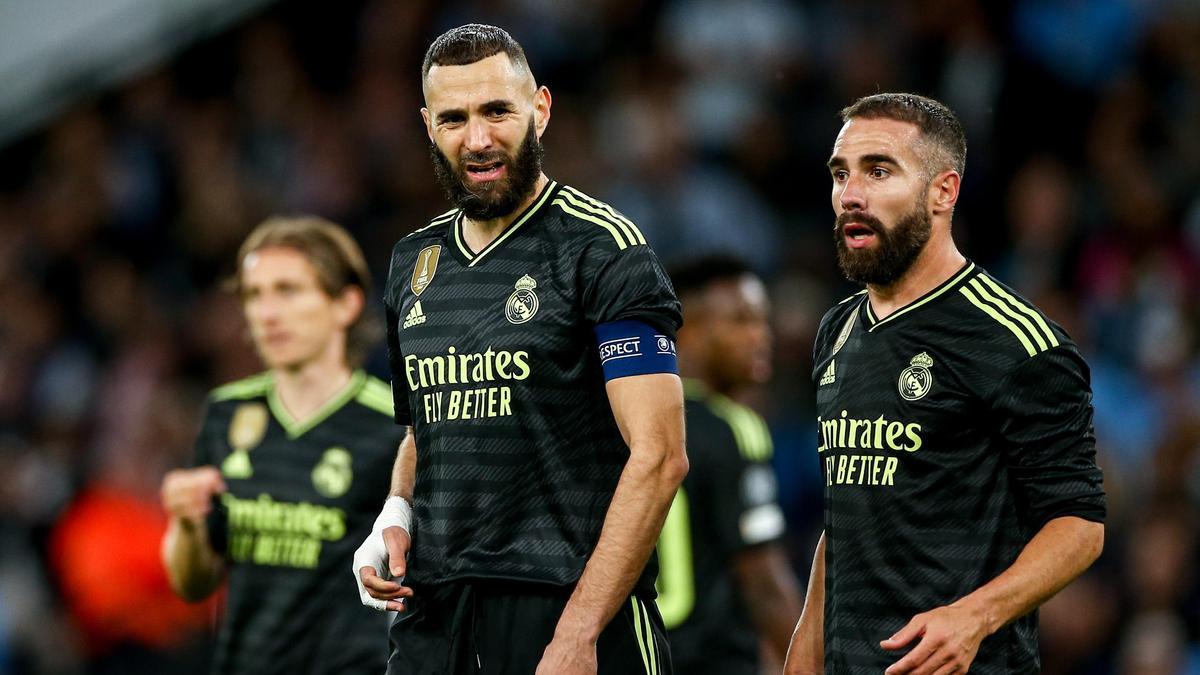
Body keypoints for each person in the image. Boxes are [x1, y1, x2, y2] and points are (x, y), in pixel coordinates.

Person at [351, 24, 687, 675]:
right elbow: (429, 423)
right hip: (436, 615)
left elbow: (661, 455)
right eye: (454, 118)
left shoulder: (603, 249)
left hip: (566, 607)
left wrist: (578, 631)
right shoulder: (411, 262)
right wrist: (395, 510)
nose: (476, 138)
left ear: (541, 108)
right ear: (427, 125)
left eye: (496, 111)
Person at [783, 93, 1106, 675]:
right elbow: (850, 511)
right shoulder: (836, 329)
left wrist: (975, 617)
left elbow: (1079, 526)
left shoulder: (1016, 342)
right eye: (840, 174)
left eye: (879, 171)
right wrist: (805, 647)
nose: (850, 195)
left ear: (944, 191)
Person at [160, 216, 403, 674]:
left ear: (345, 304)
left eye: (288, 290)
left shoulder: (395, 423)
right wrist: (188, 525)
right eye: (254, 294)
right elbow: (193, 584)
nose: (266, 312)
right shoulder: (226, 412)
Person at [657, 254, 802, 674]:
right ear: (687, 330)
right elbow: (763, 582)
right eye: (742, 320)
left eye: (762, 320)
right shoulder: (734, 428)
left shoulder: (625, 421)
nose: (762, 336)